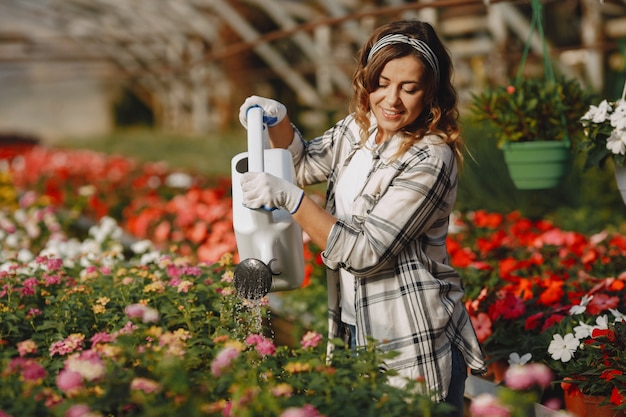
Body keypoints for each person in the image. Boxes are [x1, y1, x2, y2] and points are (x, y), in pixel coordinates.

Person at [238, 19, 486, 416]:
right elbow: (302, 165)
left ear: (431, 92)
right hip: (356, 330)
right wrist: (277, 121)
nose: (392, 100)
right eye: (382, 83)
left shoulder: (429, 158)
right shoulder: (360, 129)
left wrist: (289, 198)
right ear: (366, 81)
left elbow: (365, 251)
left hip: (411, 342)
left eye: (410, 88)